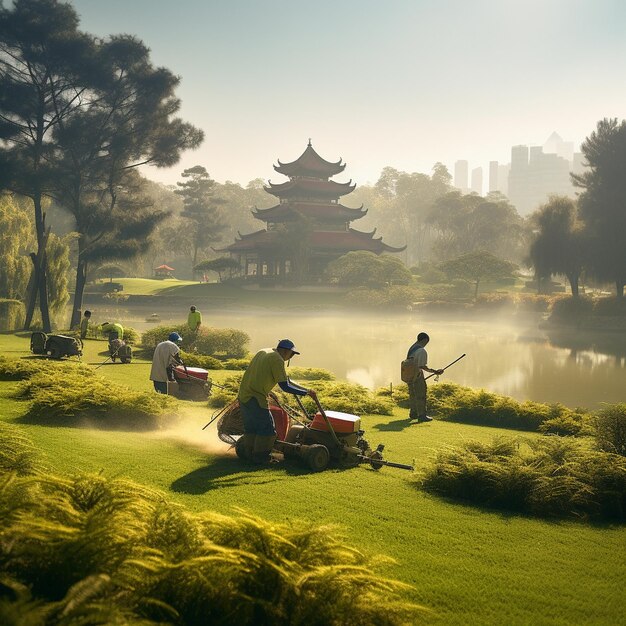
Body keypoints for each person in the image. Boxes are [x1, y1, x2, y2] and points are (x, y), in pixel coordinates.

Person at [237, 339, 317, 464]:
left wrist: (306, 390)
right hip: (256, 397)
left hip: (244, 395)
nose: (291, 357)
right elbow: (285, 386)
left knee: (251, 428)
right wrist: (306, 393)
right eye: (291, 354)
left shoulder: (264, 351)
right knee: (267, 431)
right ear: (285, 351)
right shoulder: (277, 359)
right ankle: (261, 458)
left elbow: (287, 381)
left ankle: (248, 454)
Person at [406, 332, 443, 423]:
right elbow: (422, 366)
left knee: (413, 394)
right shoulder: (422, 351)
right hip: (417, 375)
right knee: (421, 394)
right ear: (425, 340)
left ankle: (413, 413)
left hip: (409, 374)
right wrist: (435, 371)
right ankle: (422, 415)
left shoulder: (412, 348)